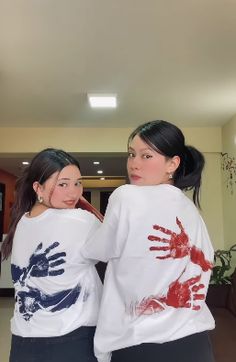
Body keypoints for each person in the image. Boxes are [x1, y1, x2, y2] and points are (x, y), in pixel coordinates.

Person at [81, 120, 215, 362]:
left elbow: (94, 251)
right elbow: (205, 263)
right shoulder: (190, 210)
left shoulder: (126, 196)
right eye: (131, 154)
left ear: (172, 164)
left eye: (146, 156)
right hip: (195, 343)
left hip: (141, 344)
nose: (134, 163)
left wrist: (85, 220)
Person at [1, 148, 102, 362]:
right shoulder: (80, 221)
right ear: (38, 187)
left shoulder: (22, 221)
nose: (73, 193)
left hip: (22, 344)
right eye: (62, 184)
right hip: (70, 341)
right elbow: (119, 245)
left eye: (78, 183)